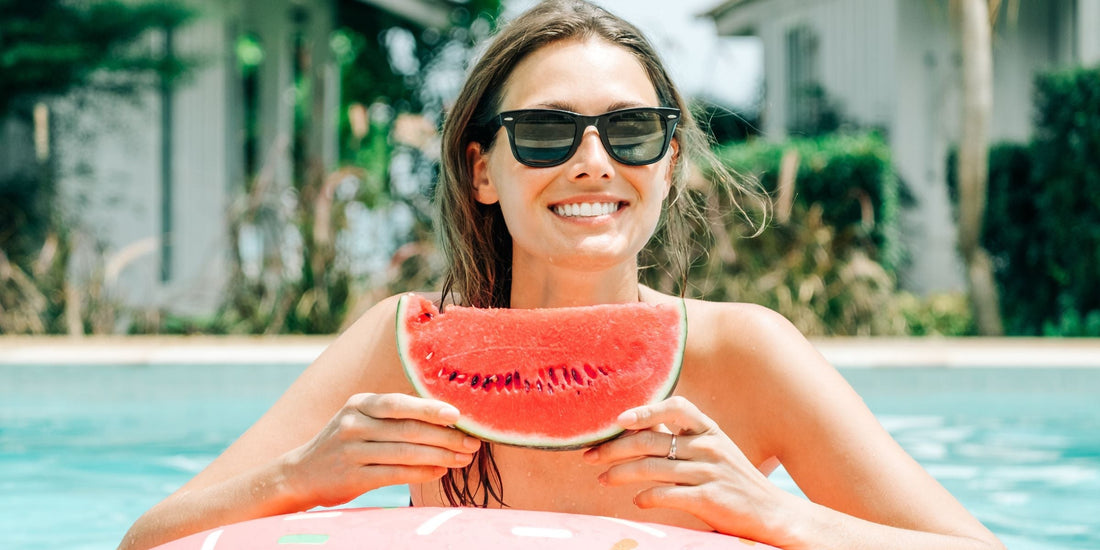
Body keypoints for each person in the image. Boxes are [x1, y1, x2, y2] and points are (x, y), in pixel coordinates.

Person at [121, 1, 1005, 549]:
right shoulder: (397, 342)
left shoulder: (746, 352)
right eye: (546, 132)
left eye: (631, 132)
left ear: (665, 166)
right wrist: (302, 475)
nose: (592, 163)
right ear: (481, 170)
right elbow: (145, 542)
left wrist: (773, 515)